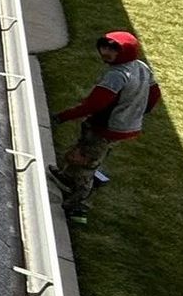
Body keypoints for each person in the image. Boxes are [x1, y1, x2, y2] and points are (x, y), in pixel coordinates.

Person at [49, 31, 162, 222]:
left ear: (125, 52)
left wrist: (62, 117)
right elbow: (154, 94)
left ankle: (78, 204)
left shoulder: (116, 76)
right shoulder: (142, 67)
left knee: (86, 163)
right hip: (126, 126)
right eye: (104, 47)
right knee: (85, 152)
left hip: (106, 127)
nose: (106, 53)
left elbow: (93, 105)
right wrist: (137, 113)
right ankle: (66, 177)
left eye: (113, 50)